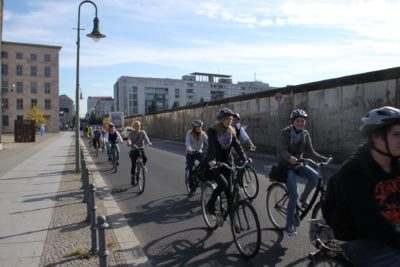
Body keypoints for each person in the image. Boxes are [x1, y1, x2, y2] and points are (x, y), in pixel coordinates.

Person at [330, 106, 400, 267]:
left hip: (391, 233)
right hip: (362, 240)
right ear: (377, 137)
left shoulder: (395, 164)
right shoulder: (354, 171)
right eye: (397, 135)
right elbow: (370, 221)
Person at [279, 108, 329, 236]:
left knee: (315, 177)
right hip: (286, 166)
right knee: (293, 195)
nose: (300, 123)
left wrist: (325, 159)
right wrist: (290, 158)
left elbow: (311, 151)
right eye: (298, 121)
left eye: (302, 121)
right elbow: (282, 151)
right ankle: (288, 226)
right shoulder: (285, 133)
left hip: (299, 164)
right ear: (293, 121)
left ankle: (304, 198)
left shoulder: (305, 134)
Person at [204, 108, 247, 214]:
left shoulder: (231, 131)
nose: (230, 121)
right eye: (227, 119)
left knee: (229, 194)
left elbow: (237, 146)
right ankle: (210, 204)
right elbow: (211, 148)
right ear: (221, 119)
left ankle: (233, 222)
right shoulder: (212, 131)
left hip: (228, 163)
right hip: (216, 163)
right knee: (224, 184)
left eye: (231, 119)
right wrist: (212, 160)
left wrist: (244, 158)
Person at [185, 119, 208, 196]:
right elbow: (187, 142)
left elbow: (208, 142)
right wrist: (189, 149)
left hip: (198, 152)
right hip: (190, 153)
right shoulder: (189, 133)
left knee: (205, 165)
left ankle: (201, 178)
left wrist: (213, 148)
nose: (199, 128)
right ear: (194, 127)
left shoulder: (203, 134)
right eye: (197, 127)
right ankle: (192, 189)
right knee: (191, 170)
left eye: (200, 127)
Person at [127, 121, 152, 186]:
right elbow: (129, 139)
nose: (139, 126)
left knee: (145, 158)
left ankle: (144, 165)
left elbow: (146, 139)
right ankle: (132, 177)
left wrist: (148, 143)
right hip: (134, 149)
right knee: (133, 164)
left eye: (139, 125)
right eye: (137, 125)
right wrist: (129, 143)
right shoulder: (131, 133)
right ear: (134, 126)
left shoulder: (142, 132)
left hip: (141, 148)